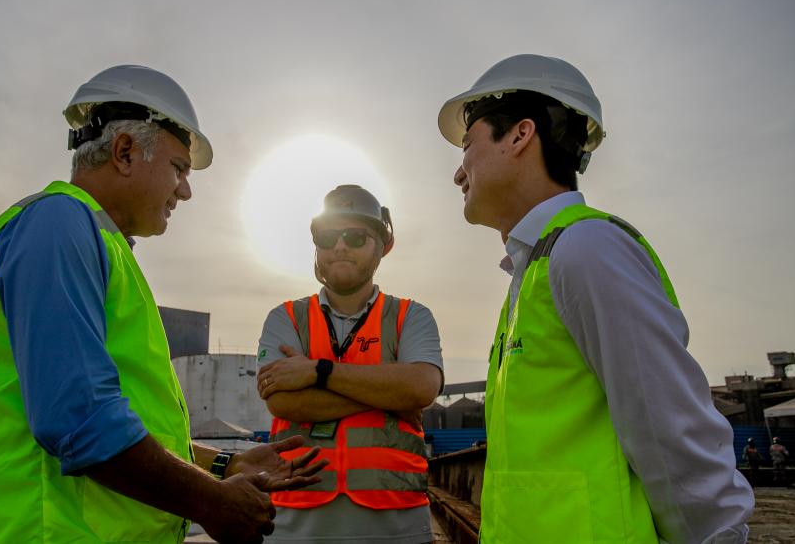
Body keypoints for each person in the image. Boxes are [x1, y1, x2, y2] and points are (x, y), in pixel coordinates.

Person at [0, 65, 326, 544]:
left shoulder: (98, 244)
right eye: (179, 168)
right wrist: (212, 501)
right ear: (125, 151)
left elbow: (128, 425)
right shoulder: (58, 225)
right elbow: (80, 421)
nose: (185, 190)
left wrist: (225, 464)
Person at [437, 54, 754, 543]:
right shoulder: (536, 270)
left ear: (520, 135)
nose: (459, 173)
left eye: (468, 143)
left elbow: (670, 430)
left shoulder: (586, 250)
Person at [255, 185, 444, 544]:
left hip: (397, 522)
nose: (340, 246)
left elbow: (421, 387)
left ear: (382, 246)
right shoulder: (286, 317)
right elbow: (282, 401)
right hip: (295, 522)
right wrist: (391, 395)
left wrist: (317, 372)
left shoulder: (411, 316)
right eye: (328, 237)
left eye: (356, 237)